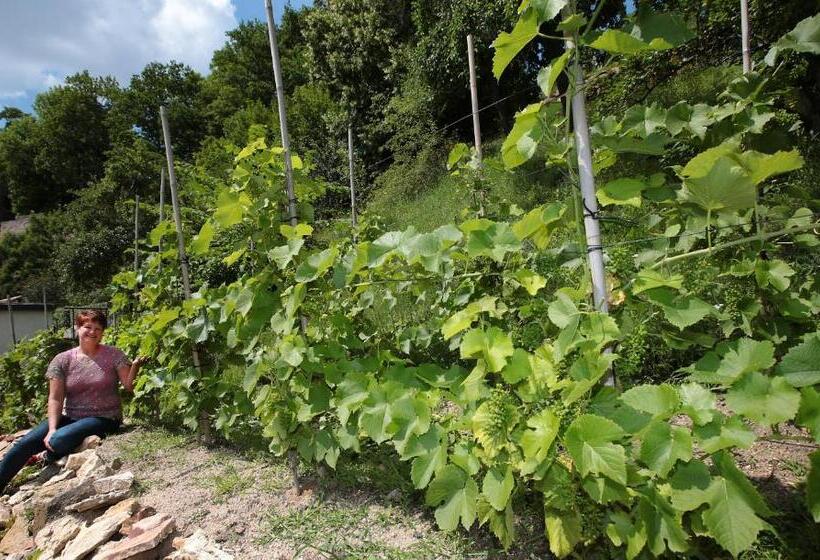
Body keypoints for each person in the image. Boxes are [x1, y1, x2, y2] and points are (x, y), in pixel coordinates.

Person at [0, 309, 147, 494]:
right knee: (24, 444)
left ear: (102, 332)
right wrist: (52, 428)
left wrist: (135, 366)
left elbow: (128, 386)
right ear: (78, 328)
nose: (93, 332)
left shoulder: (114, 355)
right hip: (71, 416)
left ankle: (46, 455)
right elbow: (55, 398)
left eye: (98, 328)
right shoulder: (62, 360)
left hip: (105, 417)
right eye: (88, 327)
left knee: (59, 440)